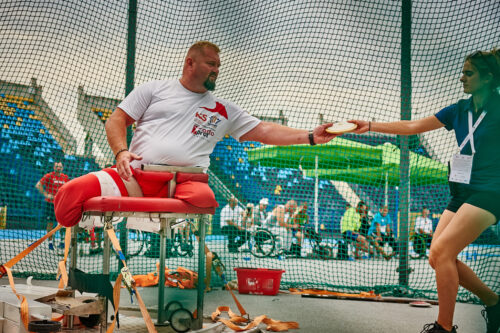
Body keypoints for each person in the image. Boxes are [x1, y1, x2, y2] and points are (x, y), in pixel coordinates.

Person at [54, 40, 338, 232]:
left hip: (182, 184)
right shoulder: (154, 90)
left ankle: (157, 220)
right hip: (133, 177)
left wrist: (309, 136)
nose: (216, 70)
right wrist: (121, 152)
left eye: (218, 66)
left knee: (206, 200)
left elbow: (263, 130)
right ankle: (93, 226)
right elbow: (116, 119)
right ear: (190, 63)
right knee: (68, 195)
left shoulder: (223, 109)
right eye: (210, 64)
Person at [349, 48, 500, 333]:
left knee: (443, 251)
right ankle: (494, 303)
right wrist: (369, 125)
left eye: (469, 73)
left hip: (491, 190)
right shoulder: (459, 110)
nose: (461, 78)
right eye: (463, 72)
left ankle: (444, 328)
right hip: (462, 190)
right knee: (436, 256)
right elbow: (414, 125)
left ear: (488, 78)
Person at [35, 161, 69, 250]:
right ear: (54, 167)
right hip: (50, 204)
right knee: (50, 223)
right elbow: (38, 185)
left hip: (62, 204)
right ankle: (50, 243)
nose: (58, 168)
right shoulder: (49, 176)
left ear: (62, 168)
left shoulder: (65, 177)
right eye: (57, 166)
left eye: (60, 167)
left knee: (62, 223)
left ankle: (62, 242)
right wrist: (46, 195)